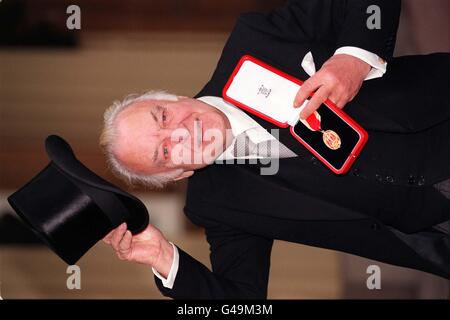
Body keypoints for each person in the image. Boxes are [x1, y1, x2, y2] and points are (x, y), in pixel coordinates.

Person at [101, 0, 450, 298]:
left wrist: (353, 57)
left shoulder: (256, 42)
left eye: (162, 116)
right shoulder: (216, 204)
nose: (179, 132)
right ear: (178, 174)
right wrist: (163, 258)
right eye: (163, 153)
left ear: (173, 97)